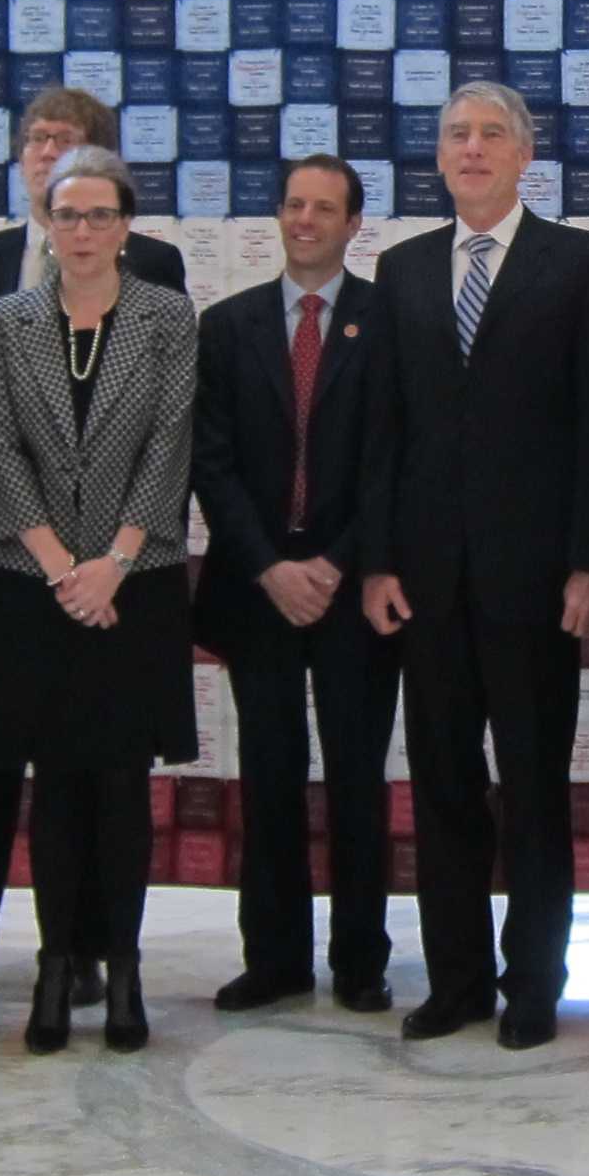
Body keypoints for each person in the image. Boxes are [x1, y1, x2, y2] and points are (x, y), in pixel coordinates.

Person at [357, 81, 589, 1050]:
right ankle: (458, 978)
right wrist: (377, 561)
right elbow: (383, 428)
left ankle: (535, 984)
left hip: (538, 579)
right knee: (441, 785)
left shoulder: (580, 266)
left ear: (524, 156)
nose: (473, 149)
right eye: (457, 134)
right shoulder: (404, 269)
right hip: (425, 579)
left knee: (536, 787)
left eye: (492, 134)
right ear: (437, 157)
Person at [0, 87, 182, 1007]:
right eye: (38, 147)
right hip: (24, 578)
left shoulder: (162, 295)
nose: (77, 221)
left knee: (117, 782)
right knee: (29, 778)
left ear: (121, 218)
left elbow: (169, 439)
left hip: (130, 580)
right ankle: (26, 958)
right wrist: (55, 567)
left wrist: (111, 562)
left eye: (69, 147)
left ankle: (110, 962)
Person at [191, 156, 398, 1016]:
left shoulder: (389, 321)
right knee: (268, 775)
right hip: (258, 586)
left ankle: (359, 961)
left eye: (325, 208)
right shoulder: (227, 324)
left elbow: (395, 456)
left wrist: (337, 562)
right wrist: (270, 566)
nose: (305, 220)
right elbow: (211, 460)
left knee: (357, 777)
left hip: (354, 589)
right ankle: (273, 957)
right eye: (293, 205)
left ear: (356, 225)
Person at [0, 85, 191, 312]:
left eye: (65, 140)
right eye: (37, 138)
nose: (47, 153)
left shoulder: (153, 264)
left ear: (99, 159)